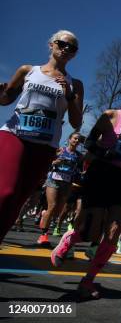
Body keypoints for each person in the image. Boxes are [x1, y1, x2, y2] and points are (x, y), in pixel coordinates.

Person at [50, 83, 121, 299]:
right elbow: (90, 145)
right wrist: (107, 153)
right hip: (102, 174)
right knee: (93, 232)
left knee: (114, 231)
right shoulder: (111, 116)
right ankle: (70, 239)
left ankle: (88, 281)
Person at [0, 30, 83, 244]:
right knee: (6, 192)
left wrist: (70, 95)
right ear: (51, 45)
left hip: (44, 146)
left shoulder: (75, 84)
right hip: (15, 136)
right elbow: (6, 99)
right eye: (62, 44)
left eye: (72, 48)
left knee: (17, 201)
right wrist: (2, 94)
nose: (66, 49)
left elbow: (76, 122)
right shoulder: (28, 70)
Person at [37, 131, 83, 245]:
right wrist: (55, 162)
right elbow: (48, 162)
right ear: (69, 139)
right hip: (54, 180)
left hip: (67, 183)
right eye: (75, 138)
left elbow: (79, 170)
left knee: (57, 212)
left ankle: (44, 214)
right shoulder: (60, 150)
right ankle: (43, 235)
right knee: (52, 206)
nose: (76, 141)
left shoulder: (79, 156)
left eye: (78, 139)